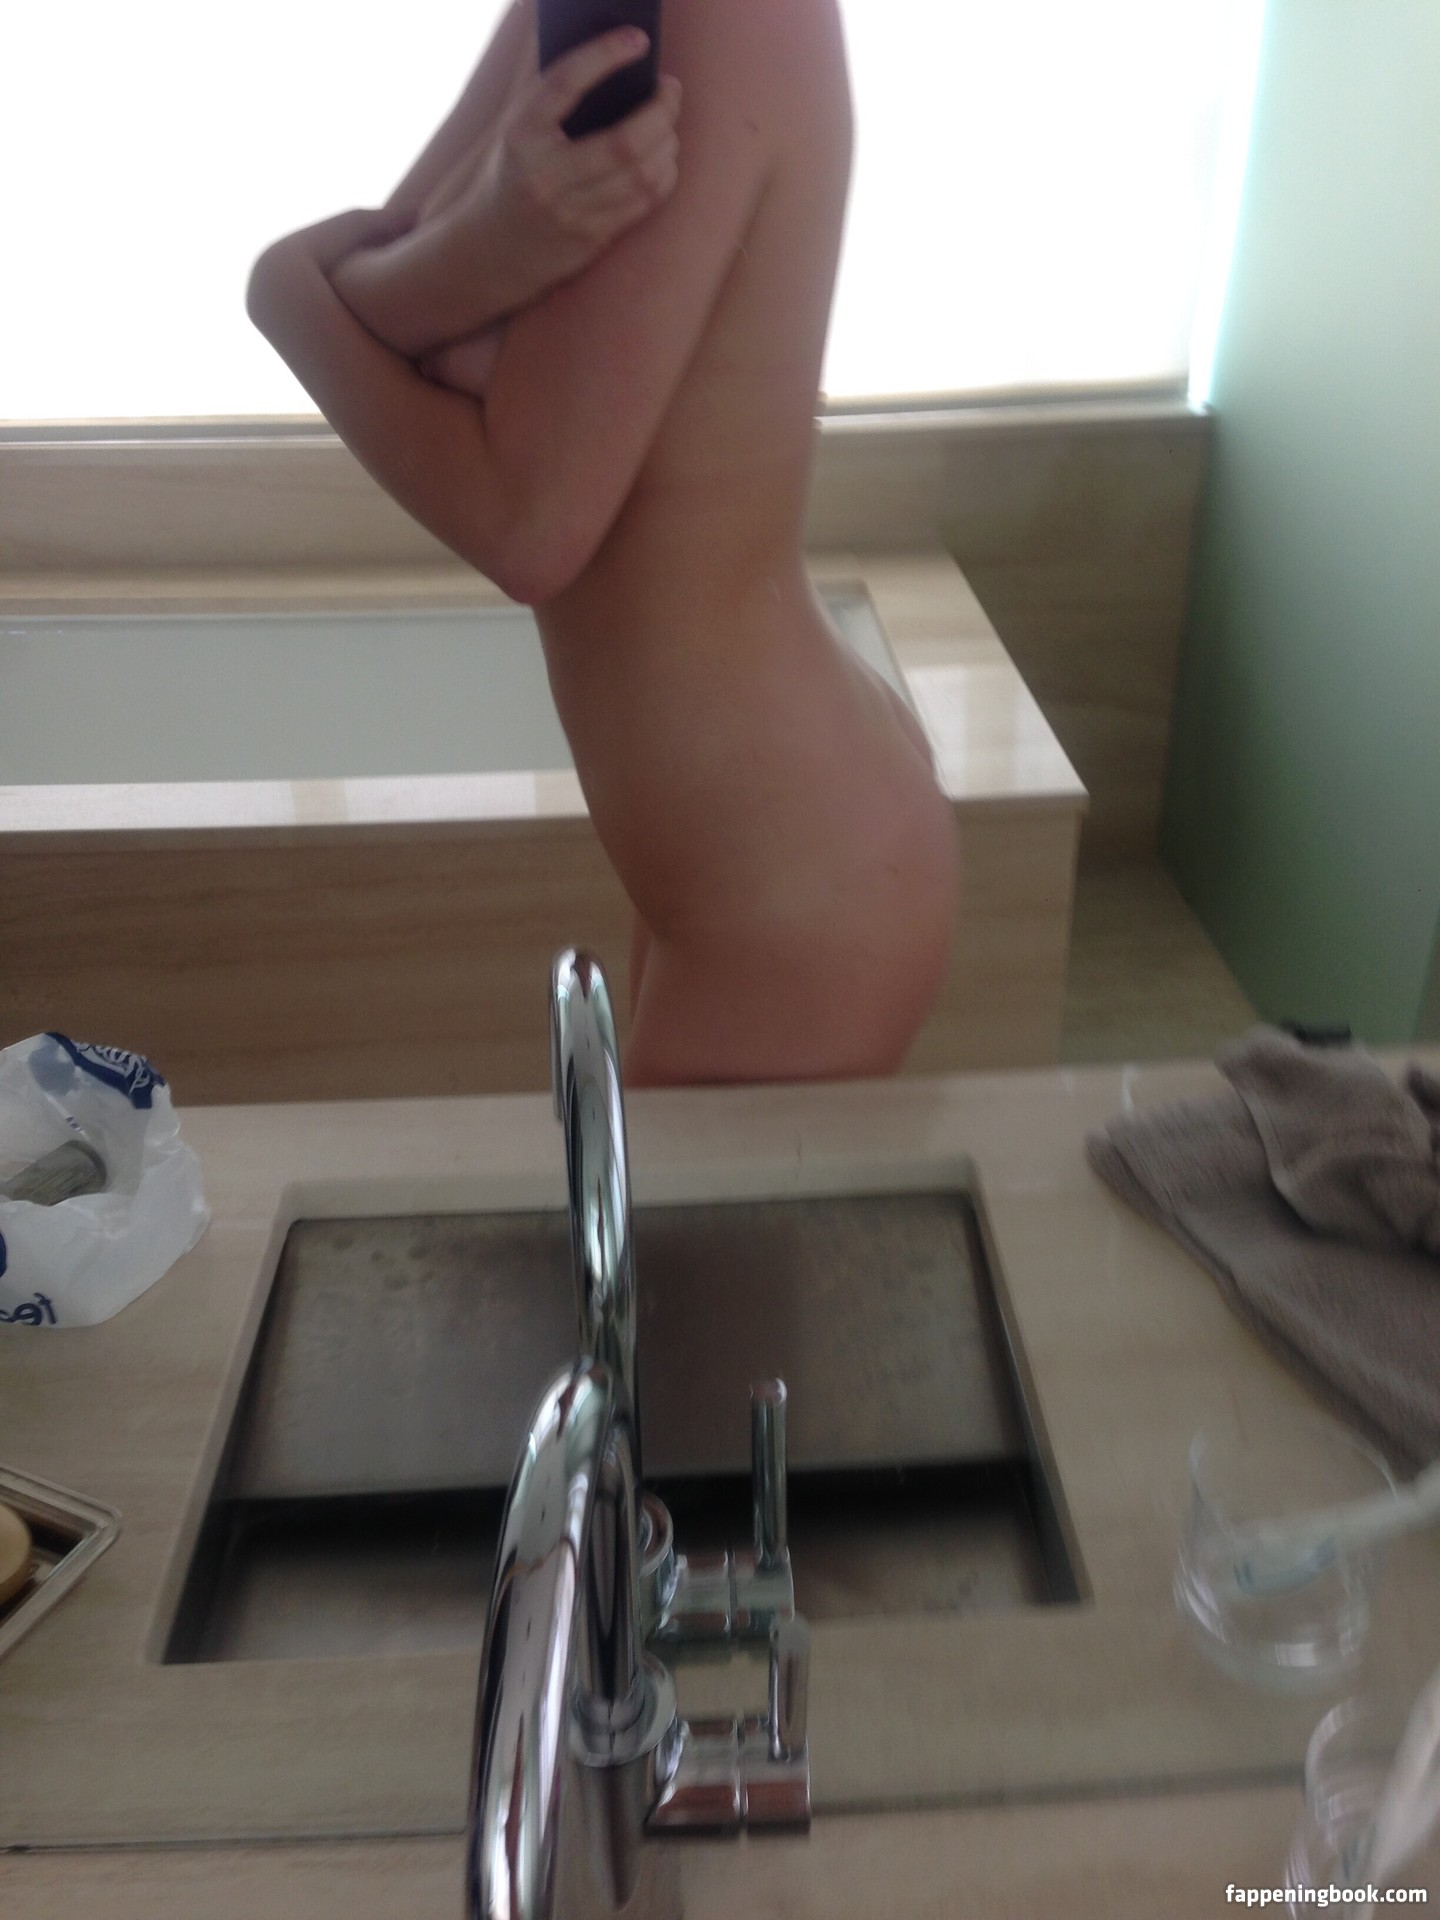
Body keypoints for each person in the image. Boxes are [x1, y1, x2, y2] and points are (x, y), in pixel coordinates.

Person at [247, 0, 956, 1086]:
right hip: (728, 854)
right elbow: (396, 275)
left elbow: (527, 524)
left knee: (648, 1207)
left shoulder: (726, 22)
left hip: (793, 882)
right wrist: (475, 249)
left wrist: (290, 293)